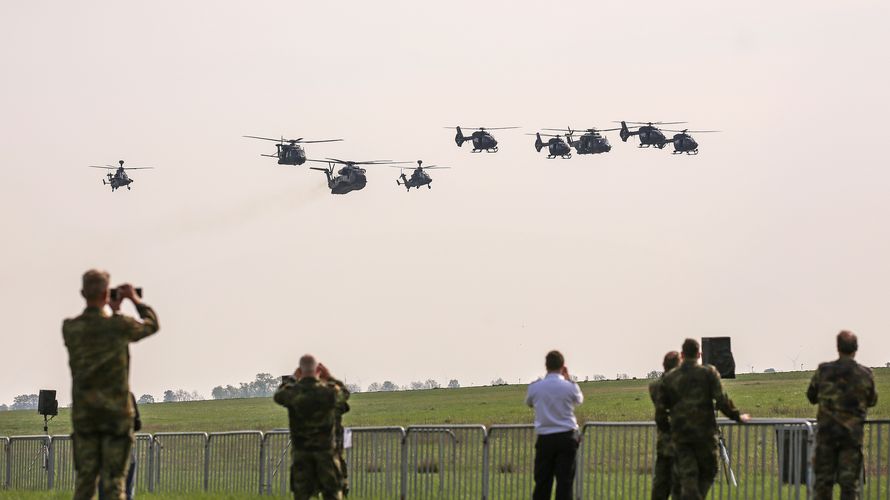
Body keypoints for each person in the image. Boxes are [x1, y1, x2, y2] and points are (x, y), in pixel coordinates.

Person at [63, 270, 159, 500]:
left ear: (82, 293)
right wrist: (132, 301)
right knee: (115, 483)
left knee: (85, 482)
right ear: (107, 293)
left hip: (86, 417)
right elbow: (151, 325)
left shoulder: (70, 328)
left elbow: (94, 329)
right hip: (115, 417)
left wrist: (110, 310)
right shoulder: (119, 326)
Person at [655, 338, 749, 500]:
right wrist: (737, 416)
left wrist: (669, 430)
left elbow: (660, 412)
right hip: (705, 436)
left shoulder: (670, 378)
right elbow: (721, 400)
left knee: (687, 475)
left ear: (682, 354)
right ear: (699, 354)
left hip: (681, 438)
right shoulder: (708, 373)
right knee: (709, 471)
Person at [807, 330, 878, 500]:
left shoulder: (824, 371)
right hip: (851, 439)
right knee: (849, 487)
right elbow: (872, 400)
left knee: (823, 486)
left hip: (827, 438)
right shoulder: (865, 374)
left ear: (837, 347)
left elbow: (811, 396)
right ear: (856, 349)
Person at [274, 355, 344, 500]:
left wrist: (292, 378)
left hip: (301, 455)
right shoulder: (328, 392)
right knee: (332, 494)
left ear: (300, 370)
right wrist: (329, 377)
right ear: (318, 370)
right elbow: (344, 394)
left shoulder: (293, 393)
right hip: (326, 455)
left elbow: (278, 396)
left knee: (301, 496)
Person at [525, 350, 584, 500]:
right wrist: (568, 378)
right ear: (562, 366)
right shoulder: (569, 386)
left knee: (542, 483)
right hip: (566, 437)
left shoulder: (536, 387)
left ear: (546, 366)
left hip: (545, 439)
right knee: (565, 484)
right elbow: (579, 400)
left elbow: (529, 402)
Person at [649, 351, 681, 500]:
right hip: (682, 444)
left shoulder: (655, 386)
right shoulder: (682, 386)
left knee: (660, 487)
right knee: (679, 488)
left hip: (664, 444)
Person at [328, 377, 351, 496]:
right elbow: (346, 405)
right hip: (336, 438)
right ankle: (343, 485)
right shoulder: (336, 406)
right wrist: (336, 381)